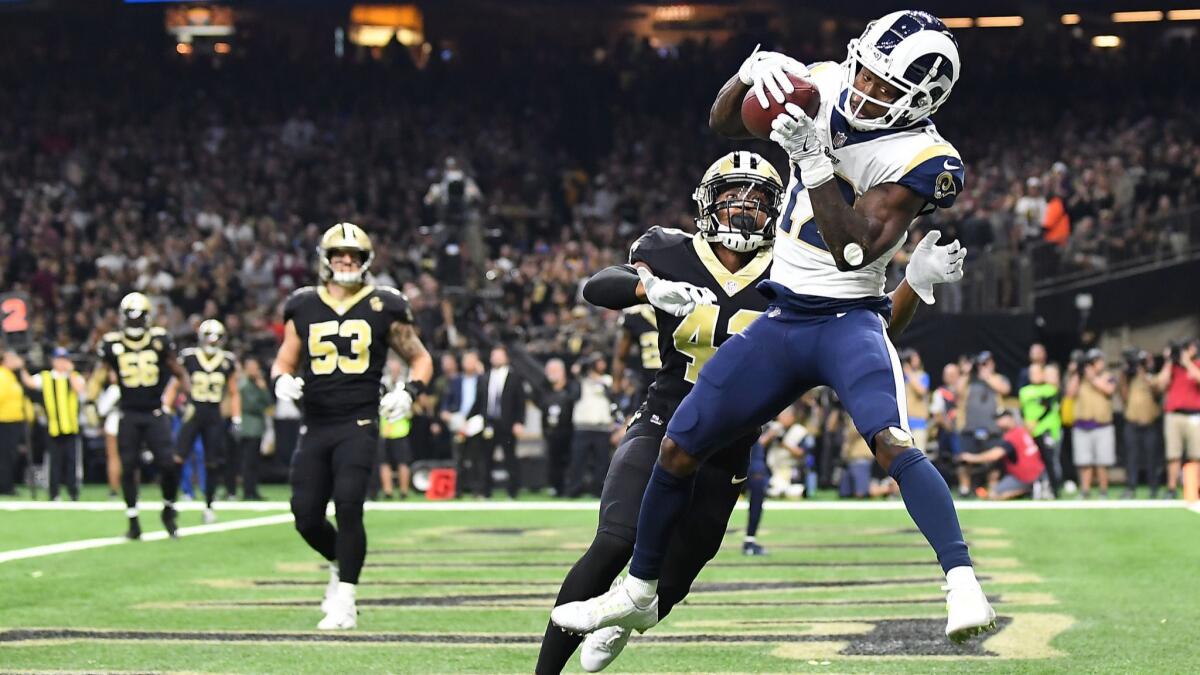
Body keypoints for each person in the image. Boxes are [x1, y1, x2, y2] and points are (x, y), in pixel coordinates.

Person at [552, 12, 994, 648]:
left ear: (920, 101)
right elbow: (725, 124)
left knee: (891, 440)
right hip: (783, 316)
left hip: (847, 318)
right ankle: (640, 590)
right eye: (864, 69)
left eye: (884, 85)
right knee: (677, 446)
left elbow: (854, 251)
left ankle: (961, 581)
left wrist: (815, 162)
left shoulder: (924, 157)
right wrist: (747, 76)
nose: (865, 88)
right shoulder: (826, 82)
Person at [539, 148, 966, 673]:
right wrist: (644, 285)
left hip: (730, 446)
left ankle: (621, 622)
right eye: (732, 195)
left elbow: (867, 336)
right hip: (663, 423)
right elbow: (595, 286)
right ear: (706, 202)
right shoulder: (669, 251)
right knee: (615, 542)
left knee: (675, 580)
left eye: (759, 197)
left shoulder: (794, 266)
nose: (744, 208)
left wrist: (912, 286)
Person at [271, 222, 433, 630]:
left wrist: (410, 391)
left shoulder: (385, 304)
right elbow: (285, 358)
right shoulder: (304, 304)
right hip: (316, 422)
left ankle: (346, 598)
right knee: (305, 516)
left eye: (355, 256)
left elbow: (421, 358)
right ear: (326, 259)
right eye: (340, 254)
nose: (347, 261)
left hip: (359, 420)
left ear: (365, 261)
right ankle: (339, 564)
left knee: (348, 505)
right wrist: (280, 379)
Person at [93, 292, 190, 539]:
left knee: (168, 464)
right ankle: (133, 520)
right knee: (128, 466)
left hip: (154, 411)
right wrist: (89, 401)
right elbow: (99, 375)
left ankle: (168, 508)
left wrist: (182, 400)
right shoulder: (111, 343)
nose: (135, 322)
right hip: (128, 412)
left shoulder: (160, 339)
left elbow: (179, 373)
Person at [168, 320, 241, 523]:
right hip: (193, 410)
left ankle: (209, 505)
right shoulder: (189, 357)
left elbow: (234, 392)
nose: (213, 340)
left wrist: (236, 417)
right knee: (178, 457)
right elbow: (175, 384)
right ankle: (171, 501)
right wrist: (167, 407)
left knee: (212, 462)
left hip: (213, 413)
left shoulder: (227, 360)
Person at [18, 348, 87, 501]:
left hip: (71, 427)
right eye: (59, 359)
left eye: (64, 359)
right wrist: (21, 367)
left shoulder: (74, 377)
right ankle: (54, 493)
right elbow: (29, 382)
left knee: (72, 462)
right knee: (54, 462)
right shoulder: (46, 377)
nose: (62, 362)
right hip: (53, 426)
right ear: (53, 360)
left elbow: (80, 389)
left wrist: (70, 373)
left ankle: (73, 492)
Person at [468, 345, 526, 498]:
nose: (497, 358)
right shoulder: (485, 376)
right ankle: (486, 490)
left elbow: (520, 402)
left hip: (507, 423)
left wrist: (519, 422)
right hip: (488, 423)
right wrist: (468, 419)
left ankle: (513, 491)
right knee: (485, 458)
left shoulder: (515, 377)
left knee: (510, 457)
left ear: (506, 357)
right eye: (494, 355)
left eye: (500, 355)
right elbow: (479, 401)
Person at [958, 409, 1047, 500]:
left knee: (994, 495)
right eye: (997, 419)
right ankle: (1034, 487)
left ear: (1010, 418)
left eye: (1001, 418)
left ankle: (1029, 490)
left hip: (1024, 476)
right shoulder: (1021, 431)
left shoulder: (1012, 435)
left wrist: (971, 457)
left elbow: (994, 455)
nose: (998, 422)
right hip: (1039, 472)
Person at [1066, 349, 1116, 498]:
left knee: (1102, 461)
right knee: (1084, 461)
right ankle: (1085, 490)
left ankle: (1103, 491)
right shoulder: (1079, 378)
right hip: (1081, 426)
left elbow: (1108, 390)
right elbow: (1070, 394)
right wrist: (1078, 373)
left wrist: (1092, 377)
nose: (1096, 364)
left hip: (1102, 425)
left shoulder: (1107, 376)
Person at [1155, 339, 1200, 499]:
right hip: (1174, 415)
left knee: (1196, 455)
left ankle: (1195, 487)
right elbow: (1160, 384)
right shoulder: (1173, 367)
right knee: (1173, 454)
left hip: (1194, 415)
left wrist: (1187, 362)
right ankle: (1171, 488)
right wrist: (1168, 362)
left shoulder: (1196, 364)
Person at [1119, 350, 1160, 498]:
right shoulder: (1130, 378)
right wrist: (1125, 373)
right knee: (1131, 457)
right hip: (1132, 422)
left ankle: (1154, 488)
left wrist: (1144, 372)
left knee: (1152, 457)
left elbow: (1157, 392)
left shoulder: (1153, 377)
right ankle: (1131, 487)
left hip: (1150, 423)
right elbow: (1123, 396)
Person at [1018, 362, 1063, 497]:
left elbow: (1048, 407)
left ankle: (1054, 488)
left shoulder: (1049, 389)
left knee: (1050, 459)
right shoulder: (1024, 391)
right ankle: (1038, 487)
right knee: (1035, 460)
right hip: (1031, 431)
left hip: (1046, 429)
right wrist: (1026, 423)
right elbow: (1022, 410)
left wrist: (1036, 421)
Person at [378, 358, 413, 499]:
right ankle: (388, 491)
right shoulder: (383, 385)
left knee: (402, 462)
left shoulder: (404, 387)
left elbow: (410, 410)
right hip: (385, 429)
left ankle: (404, 491)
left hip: (400, 430)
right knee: (384, 462)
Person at [237, 357, 271, 500]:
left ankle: (252, 490)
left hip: (256, 427)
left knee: (254, 462)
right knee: (248, 462)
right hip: (248, 426)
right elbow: (252, 405)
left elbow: (268, 402)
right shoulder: (244, 385)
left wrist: (263, 389)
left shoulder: (257, 384)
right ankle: (247, 491)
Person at [0, 350, 30, 496]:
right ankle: (5, 486)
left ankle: (7, 484)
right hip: (4, 421)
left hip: (13, 421)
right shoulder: (2, 375)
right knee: (5, 455)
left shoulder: (11, 376)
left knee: (9, 455)